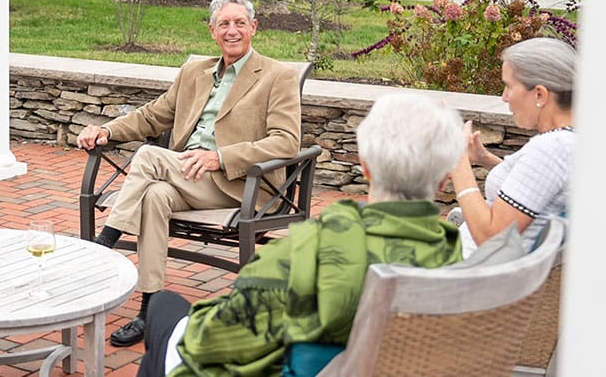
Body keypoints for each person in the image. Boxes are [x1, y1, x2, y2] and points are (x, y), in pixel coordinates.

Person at [139, 93, 465, 377]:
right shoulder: (457, 261)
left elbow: (209, 342)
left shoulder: (312, 251)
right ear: (443, 181)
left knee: (162, 309)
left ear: (364, 167)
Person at [76, 0, 303, 347]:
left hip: (241, 185)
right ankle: (149, 309)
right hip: (185, 176)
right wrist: (106, 130)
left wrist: (221, 157)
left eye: (240, 23)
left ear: (254, 27)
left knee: (150, 156)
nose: (232, 30)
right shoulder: (194, 72)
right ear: (212, 31)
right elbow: (153, 115)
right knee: (154, 195)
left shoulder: (277, 76)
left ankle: (104, 242)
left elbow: (286, 141)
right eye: (224, 24)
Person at [449, 37, 575, 257]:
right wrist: (485, 159)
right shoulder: (570, 142)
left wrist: (457, 162)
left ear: (540, 94)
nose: (504, 97)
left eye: (509, 86)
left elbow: (492, 238)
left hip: (463, 276)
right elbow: (537, 186)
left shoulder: (551, 150)